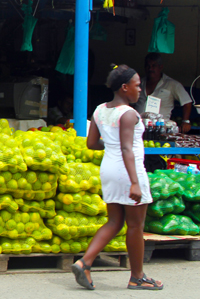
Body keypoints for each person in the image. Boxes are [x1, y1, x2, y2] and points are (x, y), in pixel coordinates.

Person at [71, 64, 163, 291]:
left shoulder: (100, 110)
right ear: (124, 88)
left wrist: (110, 146)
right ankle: (137, 277)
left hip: (109, 169)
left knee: (114, 221)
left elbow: (91, 143)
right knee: (135, 225)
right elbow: (127, 149)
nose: (139, 90)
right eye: (137, 85)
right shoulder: (129, 113)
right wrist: (134, 182)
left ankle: (85, 262)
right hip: (128, 171)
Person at [133, 53, 193, 133]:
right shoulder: (139, 83)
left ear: (160, 67)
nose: (150, 68)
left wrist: (185, 121)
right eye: (148, 66)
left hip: (161, 128)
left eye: (154, 65)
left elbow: (187, 102)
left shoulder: (172, 84)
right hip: (138, 126)